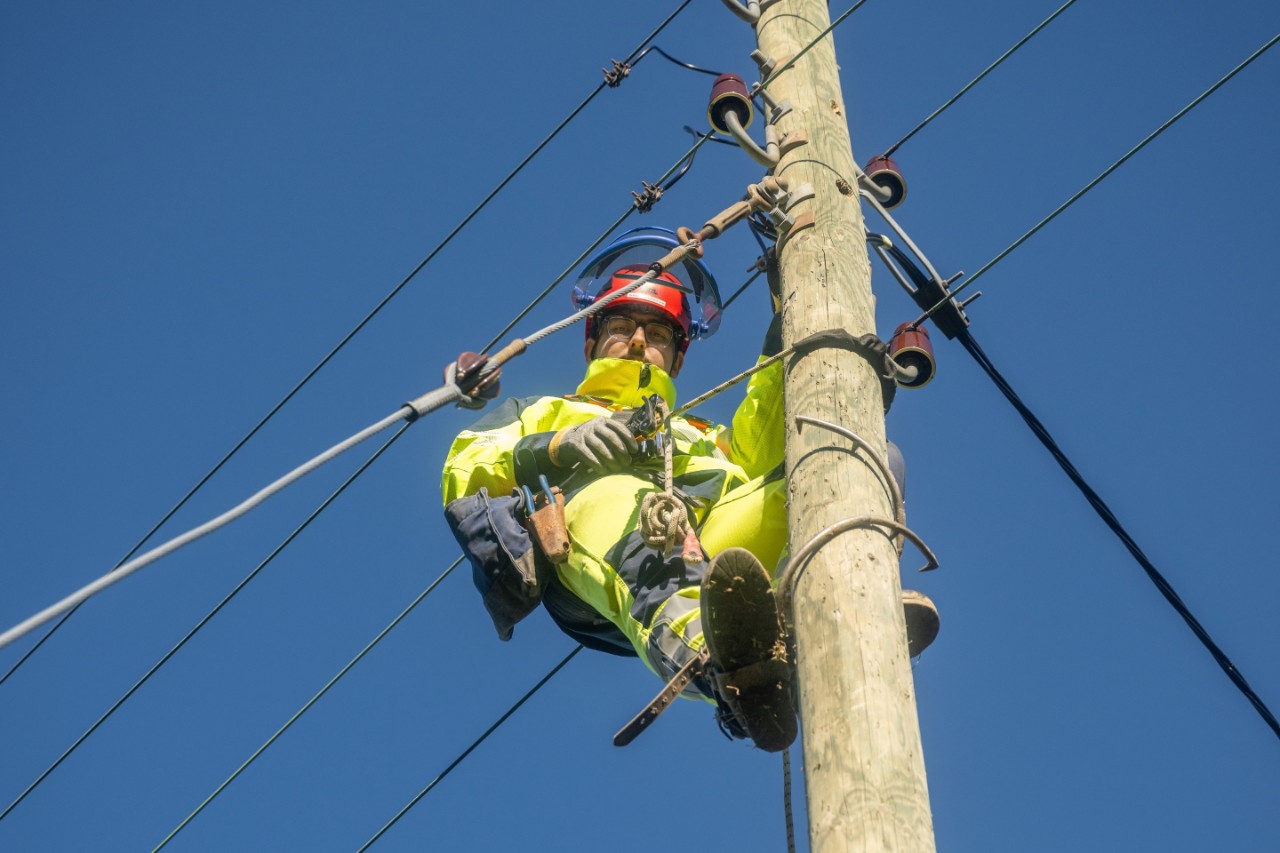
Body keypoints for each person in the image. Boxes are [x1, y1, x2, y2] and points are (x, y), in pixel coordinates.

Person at [441, 232, 798, 750]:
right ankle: (723, 665)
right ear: (591, 341)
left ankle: (844, 597)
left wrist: (788, 334)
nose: (636, 341)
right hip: (593, 546)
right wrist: (557, 446)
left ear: (676, 358)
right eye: (621, 326)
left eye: (657, 332)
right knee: (622, 500)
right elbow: (466, 465)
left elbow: (761, 445)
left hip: (709, 541)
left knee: (818, 476)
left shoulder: (699, 434)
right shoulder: (544, 410)